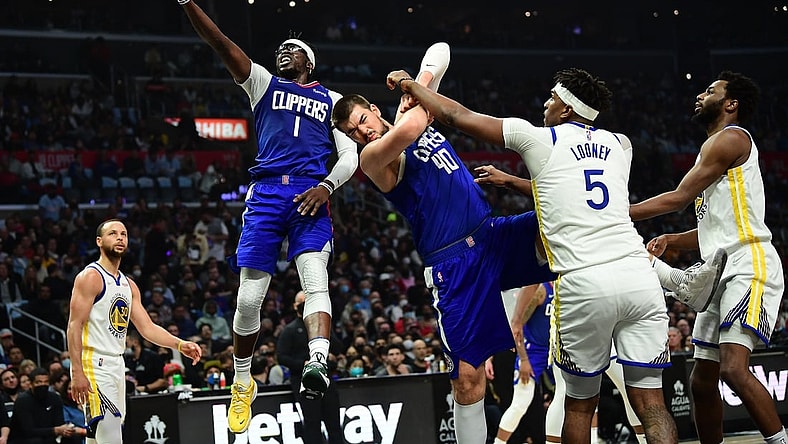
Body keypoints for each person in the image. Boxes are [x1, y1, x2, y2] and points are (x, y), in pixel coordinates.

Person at [387, 67, 678, 443]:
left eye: (554, 97)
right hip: (639, 277)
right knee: (652, 405)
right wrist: (511, 182)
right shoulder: (622, 144)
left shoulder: (539, 138)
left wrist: (412, 85)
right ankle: (678, 281)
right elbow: (574, 192)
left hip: (585, 279)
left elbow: (458, 116)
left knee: (577, 405)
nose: (547, 102)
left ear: (569, 109)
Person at [331, 44, 556, 444]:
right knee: (469, 379)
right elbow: (417, 123)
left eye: (362, 120)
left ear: (373, 110)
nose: (362, 131)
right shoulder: (374, 157)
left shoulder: (408, 110)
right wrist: (413, 86)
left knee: (560, 224)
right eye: (352, 131)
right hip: (454, 262)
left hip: (491, 236)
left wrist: (416, 86)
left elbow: (442, 49)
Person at [178, 1, 358, 433]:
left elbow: (351, 154)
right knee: (247, 300)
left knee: (316, 278)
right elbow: (221, 43)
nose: (283, 51)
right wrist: (188, 4)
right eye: (280, 47)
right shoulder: (262, 83)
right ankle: (243, 381)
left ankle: (318, 360)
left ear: (309, 61)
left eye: (291, 48)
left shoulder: (332, 101)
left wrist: (327, 186)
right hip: (267, 194)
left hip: (311, 193)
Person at [630, 71, 787, 444]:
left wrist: (621, 212)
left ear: (731, 104)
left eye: (711, 91)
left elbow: (678, 197)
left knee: (734, 368)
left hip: (749, 263)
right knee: (701, 380)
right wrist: (672, 238)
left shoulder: (731, 139)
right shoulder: (712, 150)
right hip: (719, 269)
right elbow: (713, 232)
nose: (700, 95)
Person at [67, 219, 201, 443]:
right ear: (99, 241)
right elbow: (74, 326)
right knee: (111, 437)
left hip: (117, 365)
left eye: (124, 234)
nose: (120, 238)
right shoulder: (90, 277)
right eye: (113, 234)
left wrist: (180, 344)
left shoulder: (129, 285)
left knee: (97, 438)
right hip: (94, 365)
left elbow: (147, 328)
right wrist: (77, 372)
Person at [276, 291, 343, 444]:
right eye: (302, 302)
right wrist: (303, 364)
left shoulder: (322, 326)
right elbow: (281, 356)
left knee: (333, 421)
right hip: (303, 379)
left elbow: (338, 348)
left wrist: (326, 328)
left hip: (325, 377)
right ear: (295, 306)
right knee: (312, 422)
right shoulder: (290, 330)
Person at [9, 367, 74, 444]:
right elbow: (28, 431)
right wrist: (55, 430)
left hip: (49, 435)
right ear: (31, 384)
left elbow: (59, 423)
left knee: (73, 438)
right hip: (24, 438)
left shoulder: (55, 398)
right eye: (38, 382)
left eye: (46, 382)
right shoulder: (23, 400)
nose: (42, 385)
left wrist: (65, 430)